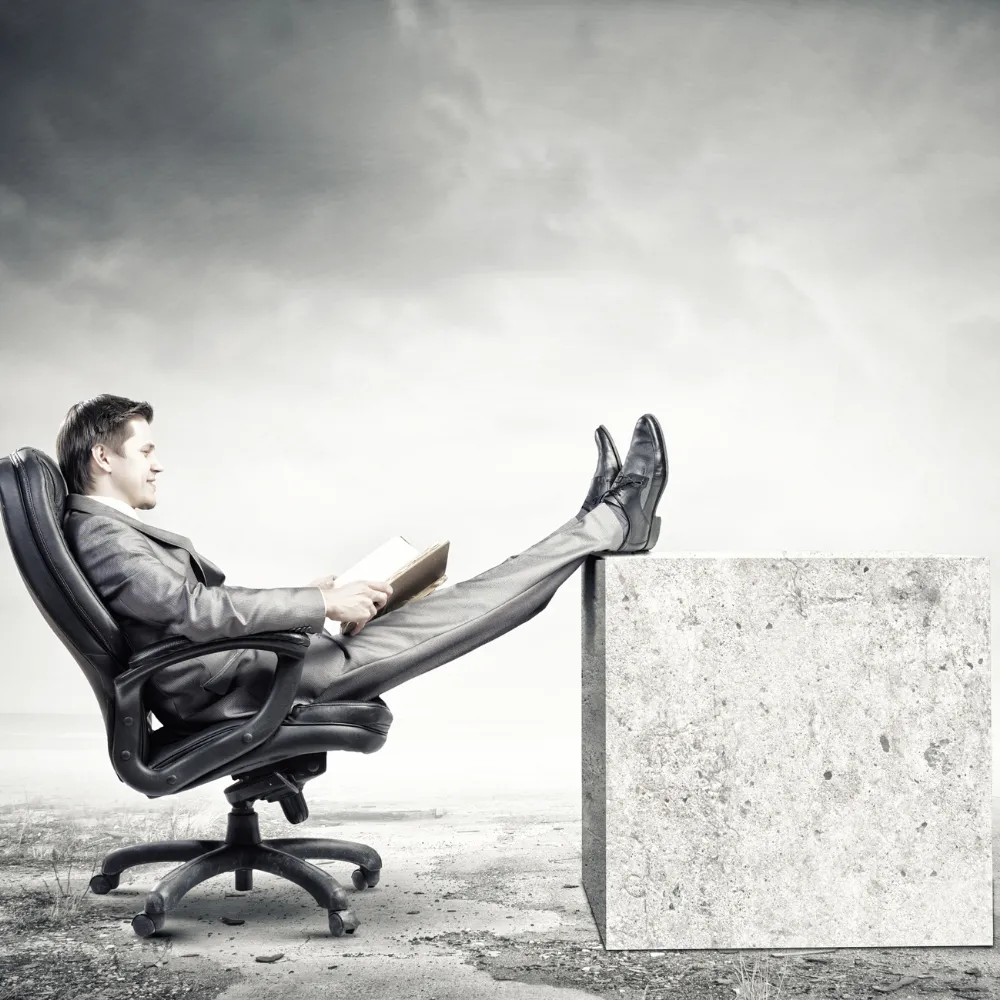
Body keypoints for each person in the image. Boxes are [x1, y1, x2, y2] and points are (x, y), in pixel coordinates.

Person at [57, 395, 668, 734]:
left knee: (430, 596)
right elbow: (192, 610)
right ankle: (611, 522)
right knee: (475, 606)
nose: (157, 464)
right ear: (103, 457)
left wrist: (314, 595)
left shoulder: (104, 531)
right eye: (146, 450)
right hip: (250, 688)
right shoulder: (105, 537)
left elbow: (186, 609)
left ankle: (593, 524)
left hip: (253, 669)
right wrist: (320, 607)